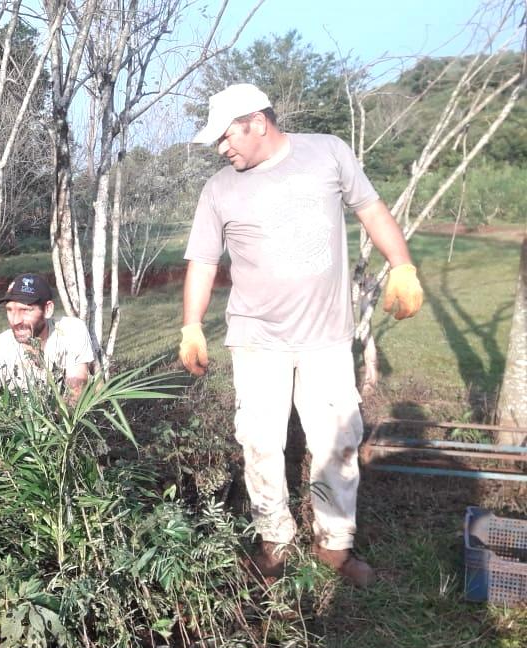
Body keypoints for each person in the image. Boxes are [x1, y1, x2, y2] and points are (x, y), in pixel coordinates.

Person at [177, 85, 423, 587]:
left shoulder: (328, 152)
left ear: (256, 122)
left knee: (338, 440)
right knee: (260, 442)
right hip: (256, 337)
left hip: (326, 336)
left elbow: (370, 209)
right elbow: (202, 262)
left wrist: (402, 265)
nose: (222, 149)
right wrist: (191, 325)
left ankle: (335, 546)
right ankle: (275, 540)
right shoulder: (219, 189)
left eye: (225, 137)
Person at [0, 273, 94, 405]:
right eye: (9, 310)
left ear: (48, 309)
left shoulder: (71, 331)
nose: (15, 320)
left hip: (68, 419)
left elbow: (75, 393)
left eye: (25, 310)